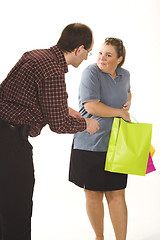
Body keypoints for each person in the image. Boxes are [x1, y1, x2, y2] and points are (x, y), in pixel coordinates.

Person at [0, 23, 99, 240]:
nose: (86, 59)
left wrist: (68, 110)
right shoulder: (54, 70)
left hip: (3, 131)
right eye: (88, 53)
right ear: (78, 49)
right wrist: (87, 125)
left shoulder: (35, 55)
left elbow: (19, 95)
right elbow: (59, 124)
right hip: (11, 140)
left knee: (5, 204)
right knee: (18, 208)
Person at [69, 37, 131, 240]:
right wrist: (120, 113)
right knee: (93, 194)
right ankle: (99, 237)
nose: (102, 58)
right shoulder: (91, 72)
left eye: (109, 55)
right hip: (89, 143)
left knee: (117, 193)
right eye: (100, 53)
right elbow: (91, 106)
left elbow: (126, 93)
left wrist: (129, 99)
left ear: (119, 59)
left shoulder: (125, 75)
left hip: (116, 144)